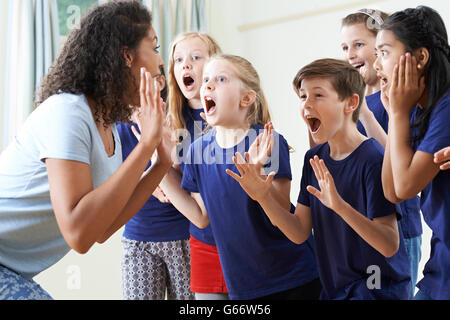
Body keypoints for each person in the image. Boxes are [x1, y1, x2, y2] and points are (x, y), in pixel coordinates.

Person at [0, 1, 173, 300]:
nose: (160, 63)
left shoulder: (109, 129)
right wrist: (146, 146)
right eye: (154, 47)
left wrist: (160, 164)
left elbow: (101, 230)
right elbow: (77, 234)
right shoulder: (68, 112)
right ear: (127, 56)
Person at [228, 58, 411, 299]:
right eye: (303, 97)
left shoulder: (374, 159)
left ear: (350, 103)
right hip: (334, 291)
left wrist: (340, 207)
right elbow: (299, 232)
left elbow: (389, 244)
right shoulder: (313, 158)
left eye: (318, 95)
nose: (307, 105)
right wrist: (262, 197)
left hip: (378, 290)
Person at [157, 54, 320, 300]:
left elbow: (282, 219)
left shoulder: (269, 142)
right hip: (244, 287)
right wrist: (153, 155)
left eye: (221, 79)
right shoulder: (197, 151)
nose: (208, 85)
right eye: (207, 80)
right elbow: (200, 217)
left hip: (293, 277)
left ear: (246, 98)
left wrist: (256, 181)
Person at [340, 9, 422, 298]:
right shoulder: (352, 104)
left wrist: (365, 115)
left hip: (399, 229)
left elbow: (402, 161)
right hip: (361, 229)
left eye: (359, 45)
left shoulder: (401, 99)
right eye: (345, 47)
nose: (350, 54)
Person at [374, 6, 450, 300]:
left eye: (384, 52)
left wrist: (398, 113)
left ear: (420, 58)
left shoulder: (445, 107)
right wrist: (396, 114)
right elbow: (392, 192)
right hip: (441, 266)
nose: (376, 64)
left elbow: (405, 185)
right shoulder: (418, 111)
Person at [118, 66, 194, 300]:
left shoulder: (180, 120)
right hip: (138, 239)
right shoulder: (116, 129)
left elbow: (197, 179)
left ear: (160, 84)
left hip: (186, 237)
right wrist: (148, 186)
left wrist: (171, 163)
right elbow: (112, 185)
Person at [167, 32, 228, 300]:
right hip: (201, 242)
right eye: (179, 60)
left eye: (195, 57)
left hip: (241, 239)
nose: (186, 65)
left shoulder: (233, 115)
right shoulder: (170, 122)